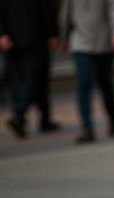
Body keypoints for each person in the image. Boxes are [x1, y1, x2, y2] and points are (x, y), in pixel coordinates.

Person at [58, 0, 114, 144]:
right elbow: (65, 16)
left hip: (105, 42)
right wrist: (63, 40)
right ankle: (87, 127)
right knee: (84, 83)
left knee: (105, 83)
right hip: (80, 43)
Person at [0, 0, 60, 140]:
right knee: (34, 78)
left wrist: (2, 34)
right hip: (34, 37)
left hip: (17, 38)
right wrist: (53, 33)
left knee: (27, 79)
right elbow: (47, 7)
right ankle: (20, 115)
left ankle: (41, 118)